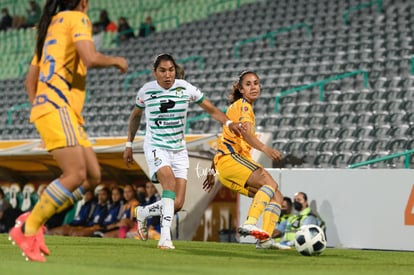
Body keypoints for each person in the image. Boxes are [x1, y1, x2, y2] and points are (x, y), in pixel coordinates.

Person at [9, 0, 128, 262]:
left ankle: (34, 217)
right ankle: (28, 228)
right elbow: (90, 58)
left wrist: (40, 108)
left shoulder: (51, 27)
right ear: (84, 3)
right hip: (58, 107)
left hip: (62, 112)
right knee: (75, 174)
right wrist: (116, 60)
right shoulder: (77, 18)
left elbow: (30, 81)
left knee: (93, 177)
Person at [123, 53, 242, 249]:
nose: (168, 75)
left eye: (171, 70)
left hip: (179, 149)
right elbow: (135, 116)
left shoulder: (185, 88)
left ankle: (143, 213)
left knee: (177, 203)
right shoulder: (146, 91)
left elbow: (211, 109)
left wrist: (228, 122)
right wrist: (129, 144)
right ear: (155, 73)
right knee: (168, 185)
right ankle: (165, 238)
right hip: (156, 146)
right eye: (162, 71)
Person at [202, 70, 290, 250]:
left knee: (276, 196)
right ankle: (250, 223)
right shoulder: (243, 106)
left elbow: (221, 143)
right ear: (241, 90)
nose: (253, 87)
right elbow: (246, 134)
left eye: (256, 83)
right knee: (268, 181)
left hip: (226, 168)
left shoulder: (238, 108)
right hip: (231, 160)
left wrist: (212, 172)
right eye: (248, 84)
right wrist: (265, 148)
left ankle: (264, 240)